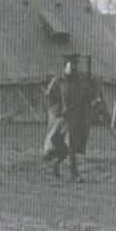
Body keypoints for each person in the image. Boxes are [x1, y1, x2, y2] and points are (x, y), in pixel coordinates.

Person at [43, 54, 100, 182]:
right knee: (70, 145)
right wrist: (57, 110)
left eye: (75, 65)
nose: (73, 67)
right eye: (71, 65)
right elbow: (49, 97)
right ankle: (74, 173)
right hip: (63, 119)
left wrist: (94, 100)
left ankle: (56, 164)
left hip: (78, 119)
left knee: (69, 147)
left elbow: (89, 95)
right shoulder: (58, 81)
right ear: (65, 66)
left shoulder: (80, 82)